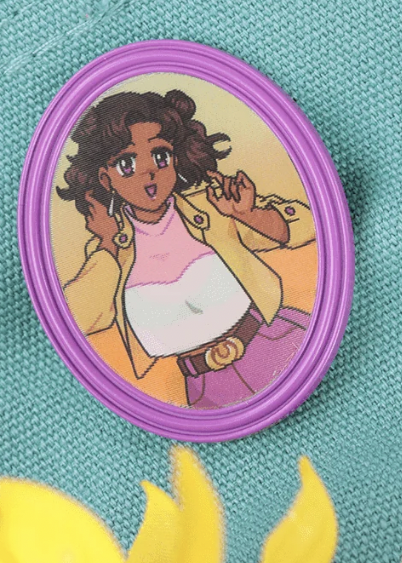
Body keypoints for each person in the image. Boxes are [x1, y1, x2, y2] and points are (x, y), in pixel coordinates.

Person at [56, 89, 314, 408]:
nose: (148, 171)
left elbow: (307, 225)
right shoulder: (111, 250)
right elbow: (76, 319)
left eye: (160, 156)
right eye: (126, 163)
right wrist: (108, 245)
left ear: (175, 159)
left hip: (273, 339)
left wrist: (248, 214)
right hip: (205, 383)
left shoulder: (209, 207)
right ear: (105, 179)